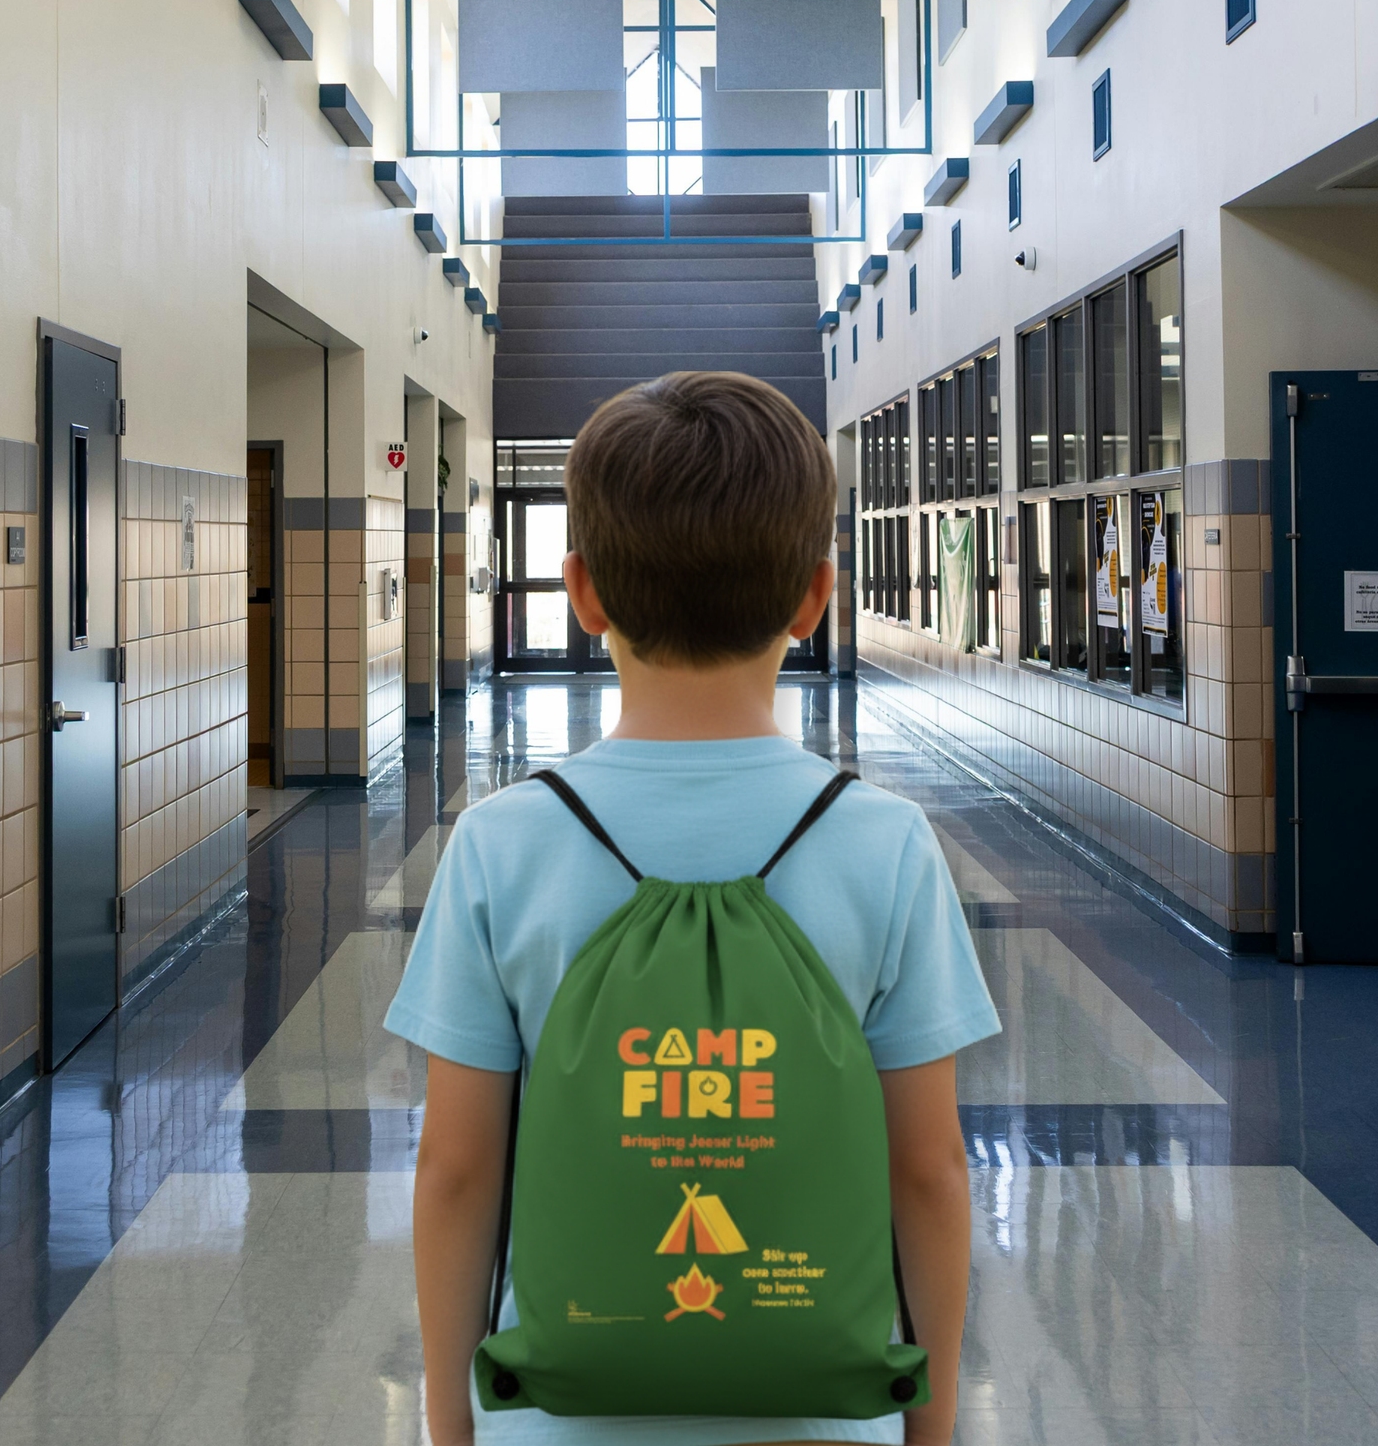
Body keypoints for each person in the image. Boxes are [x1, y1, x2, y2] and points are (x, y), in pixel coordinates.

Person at [384, 371, 1001, 1446]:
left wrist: (452, 1426)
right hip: (825, 1420)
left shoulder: (500, 844)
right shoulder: (886, 843)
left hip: (556, 1421)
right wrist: (930, 1430)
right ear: (815, 598)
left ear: (584, 593)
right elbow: (928, 1171)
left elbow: (457, 1171)